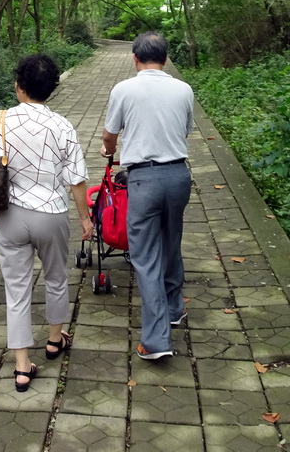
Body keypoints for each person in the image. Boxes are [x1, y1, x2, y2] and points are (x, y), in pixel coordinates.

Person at [0, 54, 94, 392]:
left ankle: (22, 366)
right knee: (56, 279)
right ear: (51, 88)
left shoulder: (0, 119)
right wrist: (85, 217)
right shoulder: (63, 125)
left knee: (17, 290)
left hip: (11, 215)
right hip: (52, 213)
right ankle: (55, 341)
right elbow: (77, 179)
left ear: (19, 86)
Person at [100, 32, 194, 360]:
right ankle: (173, 308)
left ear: (135, 58)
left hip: (143, 180)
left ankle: (156, 341)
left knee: (145, 257)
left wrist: (107, 149)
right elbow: (183, 131)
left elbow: (110, 135)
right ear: (165, 59)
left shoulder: (123, 89)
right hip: (178, 176)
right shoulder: (183, 89)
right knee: (171, 243)